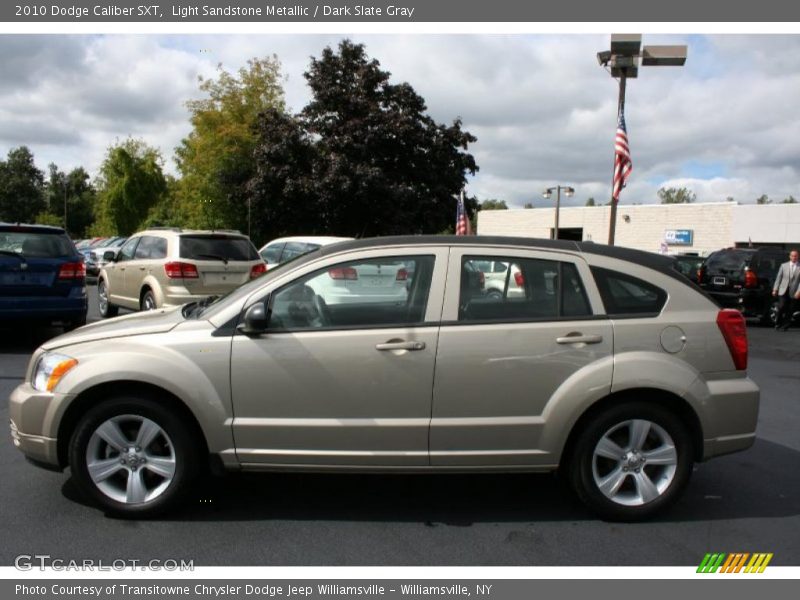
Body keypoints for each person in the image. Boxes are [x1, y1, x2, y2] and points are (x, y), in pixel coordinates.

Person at [772, 249, 800, 331]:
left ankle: (785, 325)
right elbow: (778, 278)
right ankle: (778, 323)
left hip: (794, 291)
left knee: (790, 309)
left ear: (798, 256)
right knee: (781, 306)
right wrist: (775, 289)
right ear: (790, 256)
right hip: (783, 290)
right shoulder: (783, 265)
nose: (794, 257)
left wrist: (799, 291)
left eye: (795, 256)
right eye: (792, 256)